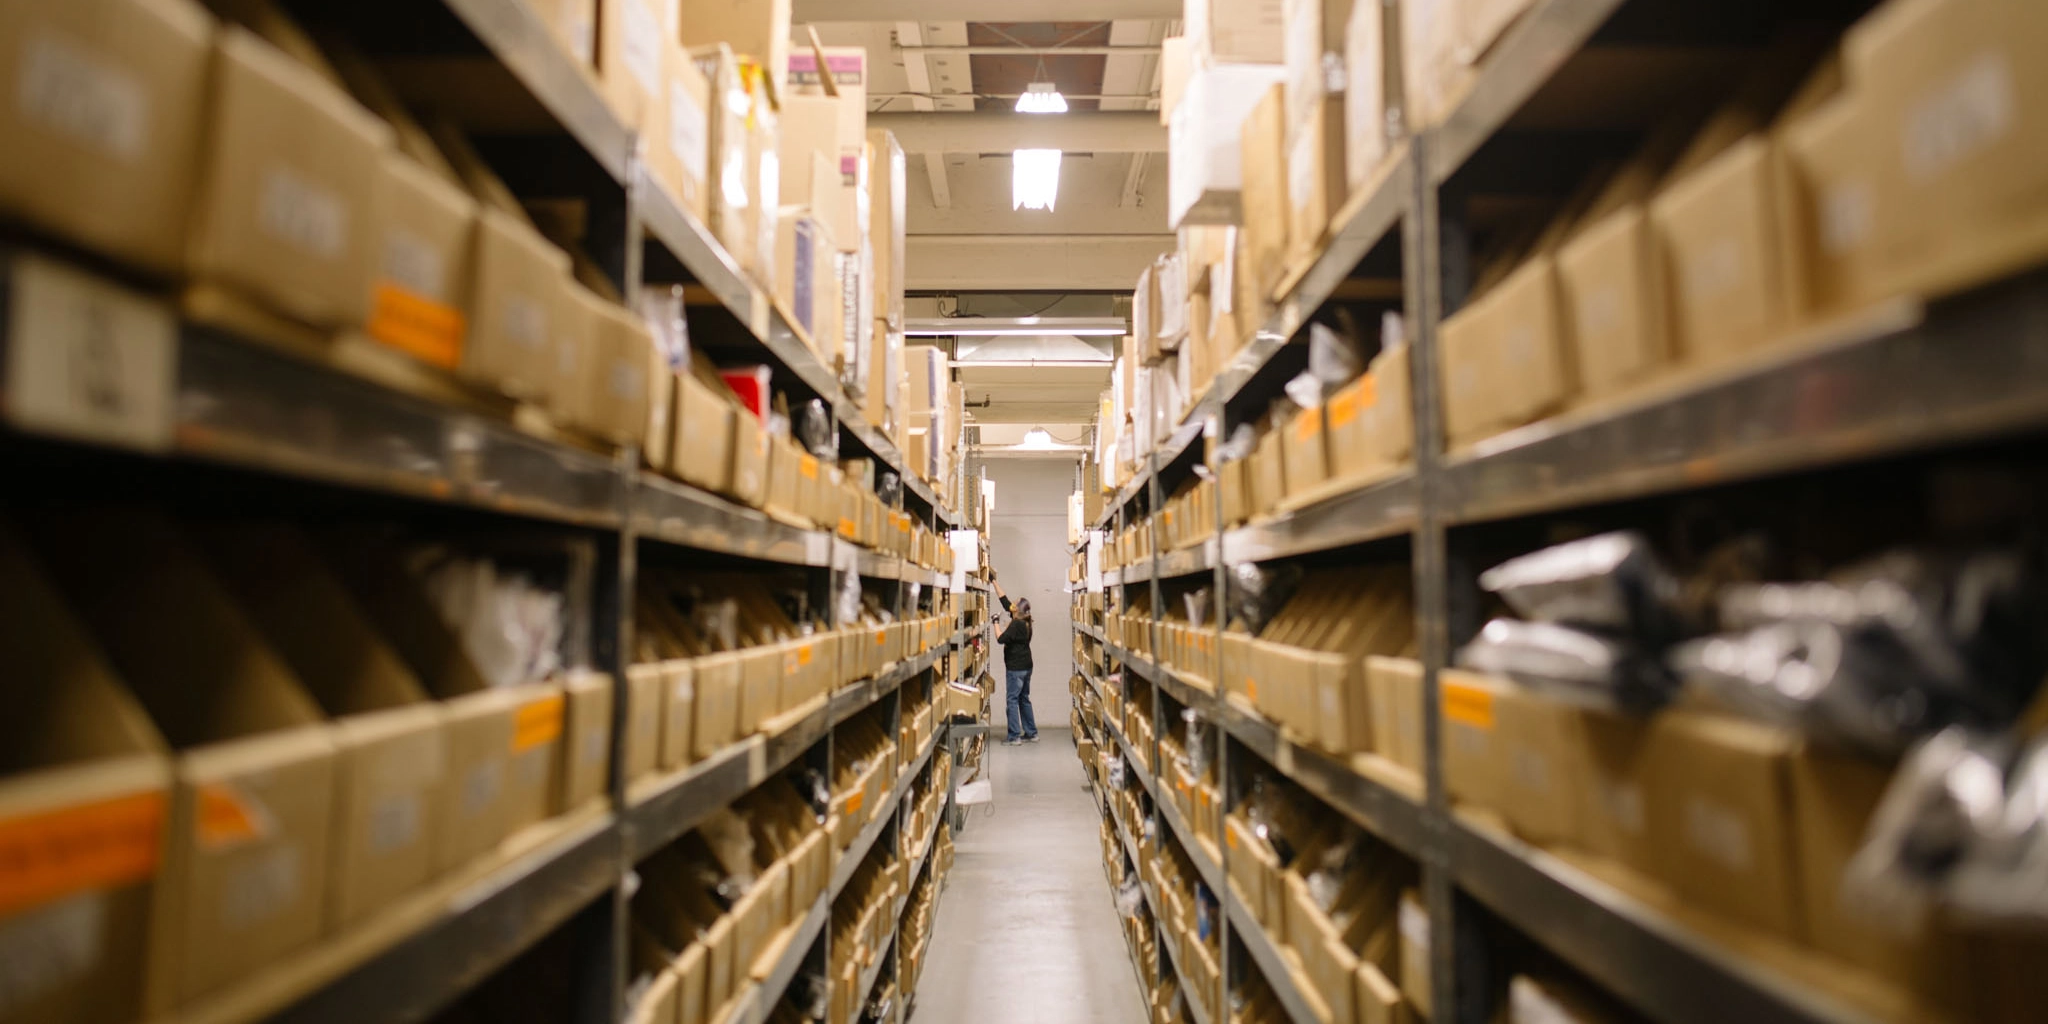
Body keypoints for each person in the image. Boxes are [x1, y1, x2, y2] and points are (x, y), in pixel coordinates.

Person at [993, 578, 1037, 745]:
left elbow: (1000, 639)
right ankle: (1032, 733)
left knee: (1012, 700)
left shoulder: (1016, 624)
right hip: (1026, 666)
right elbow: (1005, 602)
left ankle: (1014, 737)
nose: (1012, 603)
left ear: (1018, 609)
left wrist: (995, 622)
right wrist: (994, 581)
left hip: (1015, 668)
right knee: (1024, 698)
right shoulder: (1025, 622)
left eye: (1015, 602)